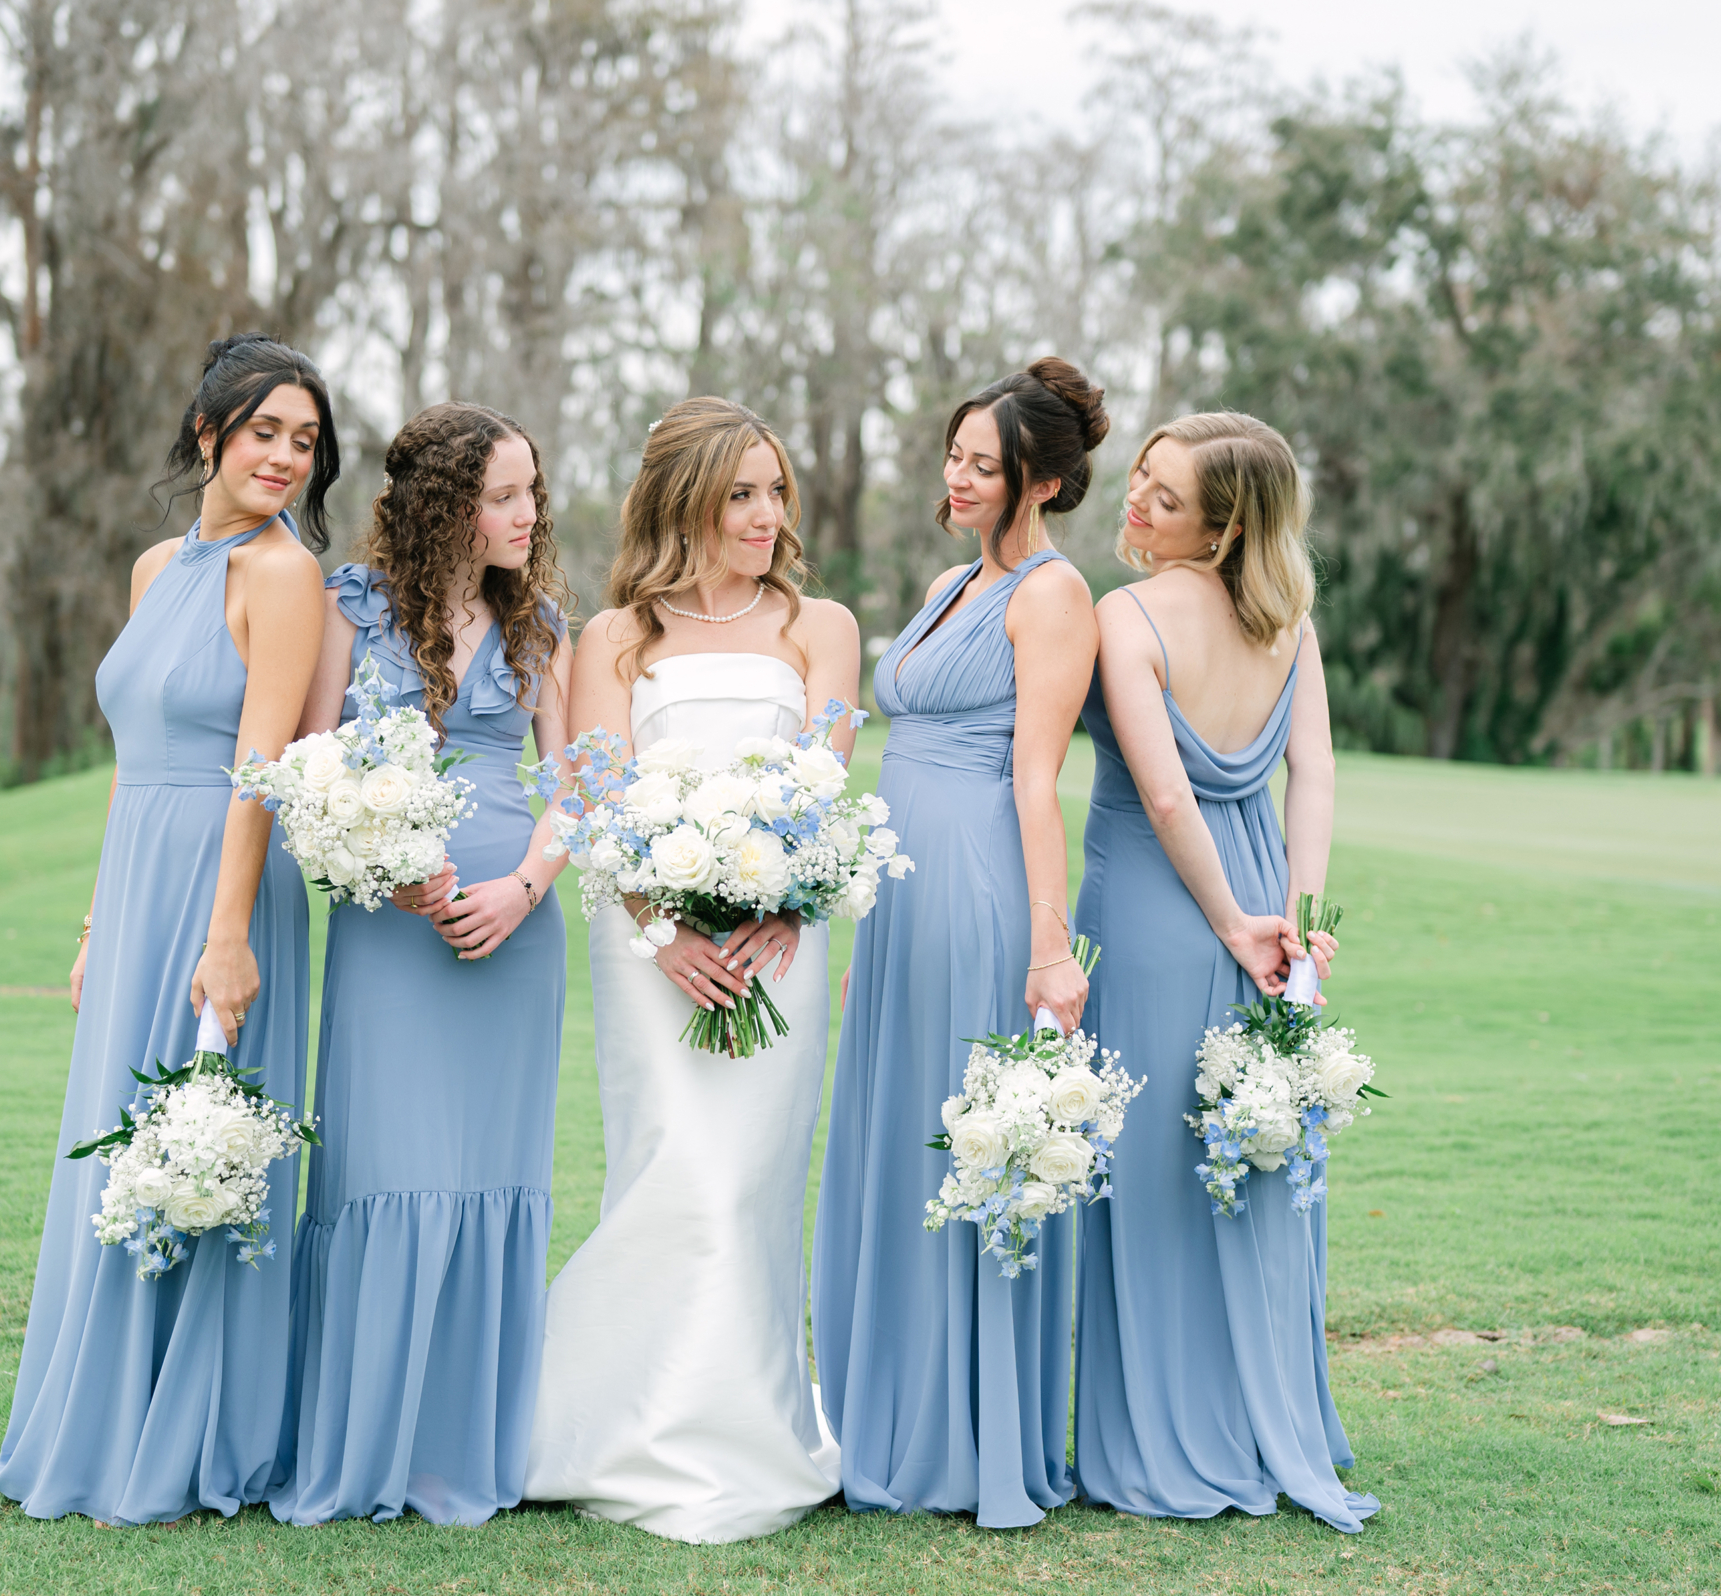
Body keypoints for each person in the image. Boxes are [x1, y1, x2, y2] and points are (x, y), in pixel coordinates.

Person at [0, 334, 336, 1526]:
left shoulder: (288, 575)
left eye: (304, 440)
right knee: (121, 1136)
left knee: (198, 1138)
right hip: (140, 880)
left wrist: (229, 933)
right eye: (264, 433)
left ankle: (192, 1438)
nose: (285, 456)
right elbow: (128, 759)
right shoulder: (155, 567)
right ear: (208, 434)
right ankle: (104, 1414)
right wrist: (99, 918)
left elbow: (265, 763)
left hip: (223, 881)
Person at [525, 397, 859, 1543]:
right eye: (741, 494)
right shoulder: (617, 637)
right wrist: (663, 931)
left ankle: (749, 1429)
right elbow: (594, 800)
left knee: (751, 1187)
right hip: (650, 951)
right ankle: (620, 1422)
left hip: (780, 951)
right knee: (676, 1174)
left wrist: (793, 906)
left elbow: (826, 794)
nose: (767, 515)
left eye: (776, 491)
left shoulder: (821, 626)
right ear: (685, 501)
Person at [811, 357, 1105, 1528]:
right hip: (900, 888)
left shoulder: (1053, 595)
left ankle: (963, 1434)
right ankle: (882, 1411)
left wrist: (1050, 946)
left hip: (981, 879)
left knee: (960, 1141)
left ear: (1041, 479)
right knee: (895, 1134)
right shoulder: (947, 581)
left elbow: (1038, 783)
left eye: (987, 465)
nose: (961, 476)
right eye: (956, 455)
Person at [1069, 411, 1374, 1533]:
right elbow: (1316, 775)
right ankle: (1258, 1417)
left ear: (1223, 522)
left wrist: (1246, 924)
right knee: (1246, 1158)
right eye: (1138, 480)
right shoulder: (1286, 619)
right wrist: (1292, 915)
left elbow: (1162, 795)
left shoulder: (1126, 613)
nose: (1135, 505)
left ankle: (1158, 1439)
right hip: (1252, 891)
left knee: (1153, 1170)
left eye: (1164, 496)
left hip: (1162, 904)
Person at [275, 401, 574, 1528]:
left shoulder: (540, 624)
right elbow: (308, 764)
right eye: (505, 494)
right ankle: (363, 1455)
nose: (526, 513)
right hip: (389, 929)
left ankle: (462, 1452)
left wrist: (525, 885)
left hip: (514, 935)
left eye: (531, 493)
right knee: (387, 1173)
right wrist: (386, 863)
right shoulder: (349, 609)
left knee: (491, 1176)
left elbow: (576, 784)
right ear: (448, 503)